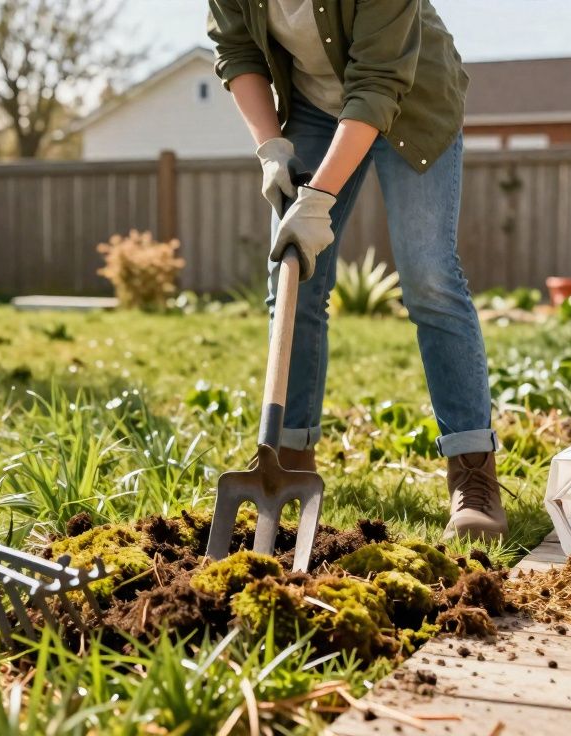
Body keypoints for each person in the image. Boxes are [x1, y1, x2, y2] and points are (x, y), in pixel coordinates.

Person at [208, 0, 506, 540]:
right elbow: (238, 49)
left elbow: (378, 81)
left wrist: (318, 199)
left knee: (429, 277)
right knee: (294, 277)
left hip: (410, 97)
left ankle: (472, 471)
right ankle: (290, 458)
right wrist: (271, 147)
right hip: (316, 109)